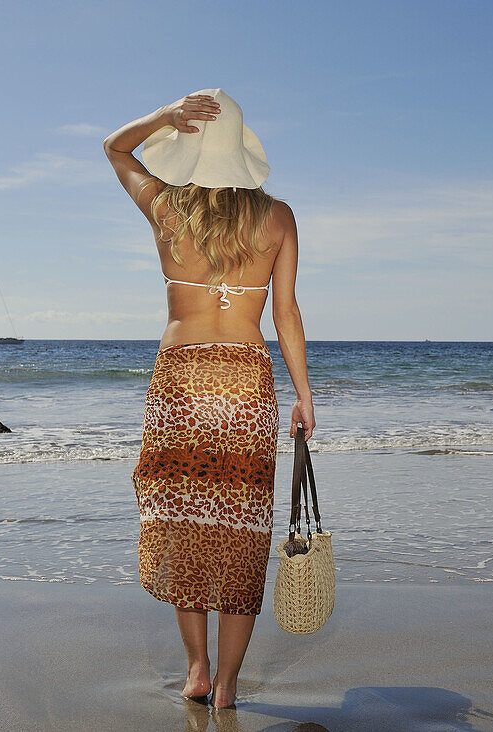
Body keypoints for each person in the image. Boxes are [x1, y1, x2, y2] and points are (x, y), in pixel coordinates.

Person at [103, 88, 315, 710]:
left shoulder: (167, 208)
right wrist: (304, 395)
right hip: (246, 385)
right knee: (241, 534)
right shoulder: (278, 217)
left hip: (183, 384)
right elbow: (286, 314)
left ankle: (195, 669)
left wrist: (162, 118)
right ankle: (225, 689)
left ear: (192, 148)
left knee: (185, 529)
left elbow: (114, 149)